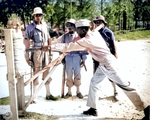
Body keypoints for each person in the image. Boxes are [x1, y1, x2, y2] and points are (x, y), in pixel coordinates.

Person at [42, 19, 144, 116]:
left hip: (109, 64)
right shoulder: (91, 33)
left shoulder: (88, 40)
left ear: (83, 30)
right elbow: (81, 37)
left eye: (77, 30)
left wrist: (50, 47)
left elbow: (69, 46)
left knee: (125, 86)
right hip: (103, 63)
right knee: (94, 83)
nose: (76, 33)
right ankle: (93, 108)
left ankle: (146, 109)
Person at [24, 7, 58, 101]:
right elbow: (26, 41)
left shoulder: (45, 25)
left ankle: (48, 93)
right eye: (36, 15)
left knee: (47, 71)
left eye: (40, 15)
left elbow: (48, 37)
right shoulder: (30, 27)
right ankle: (33, 96)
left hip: (46, 51)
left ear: (42, 16)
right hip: (37, 51)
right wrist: (27, 56)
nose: (38, 17)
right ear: (34, 16)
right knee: (36, 72)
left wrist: (50, 47)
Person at [57, 19, 88, 99]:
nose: (70, 28)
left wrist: (83, 59)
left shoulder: (78, 36)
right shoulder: (65, 36)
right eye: (69, 26)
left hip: (77, 57)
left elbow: (83, 48)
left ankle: (78, 91)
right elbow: (59, 45)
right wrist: (62, 57)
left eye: (72, 26)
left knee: (78, 74)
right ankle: (69, 92)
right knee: (69, 74)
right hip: (68, 58)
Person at [93, 15, 118, 100]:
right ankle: (96, 94)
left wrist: (115, 57)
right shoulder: (94, 33)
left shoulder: (108, 32)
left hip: (107, 58)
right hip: (96, 59)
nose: (98, 23)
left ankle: (115, 92)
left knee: (112, 76)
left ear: (104, 23)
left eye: (99, 22)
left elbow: (113, 46)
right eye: (96, 22)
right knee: (96, 77)